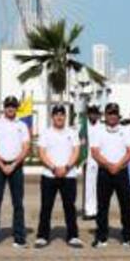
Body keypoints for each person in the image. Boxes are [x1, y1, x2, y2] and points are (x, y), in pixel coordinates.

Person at [0, 94, 31, 248]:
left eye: (13, 106)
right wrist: (2, 164)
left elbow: (26, 147)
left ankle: (19, 238)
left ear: (17, 108)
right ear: (4, 108)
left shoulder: (22, 125)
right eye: (8, 106)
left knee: (18, 203)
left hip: (16, 167)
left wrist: (13, 164)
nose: (10, 108)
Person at [36, 104, 83, 248]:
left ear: (65, 116)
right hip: (49, 174)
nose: (59, 117)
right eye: (56, 114)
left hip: (69, 175)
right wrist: (54, 168)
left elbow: (76, 151)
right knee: (46, 206)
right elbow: (41, 153)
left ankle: (73, 236)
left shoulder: (72, 132)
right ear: (52, 117)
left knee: (69, 207)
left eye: (61, 114)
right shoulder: (46, 133)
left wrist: (67, 167)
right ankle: (42, 236)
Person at [90, 102, 130, 248]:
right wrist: (109, 165)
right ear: (105, 115)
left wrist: (118, 165)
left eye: (114, 113)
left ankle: (128, 237)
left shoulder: (125, 131)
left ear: (118, 115)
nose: (112, 116)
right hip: (104, 172)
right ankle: (101, 236)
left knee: (125, 206)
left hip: (121, 171)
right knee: (102, 206)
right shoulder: (99, 131)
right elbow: (95, 152)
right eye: (109, 113)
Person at [82, 104, 101, 220]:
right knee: (89, 187)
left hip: (100, 160)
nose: (93, 115)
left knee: (100, 187)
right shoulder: (84, 127)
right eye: (91, 113)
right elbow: (81, 142)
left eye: (95, 113)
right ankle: (89, 210)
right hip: (89, 159)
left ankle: (99, 209)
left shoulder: (102, 127)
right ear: (88, 114)